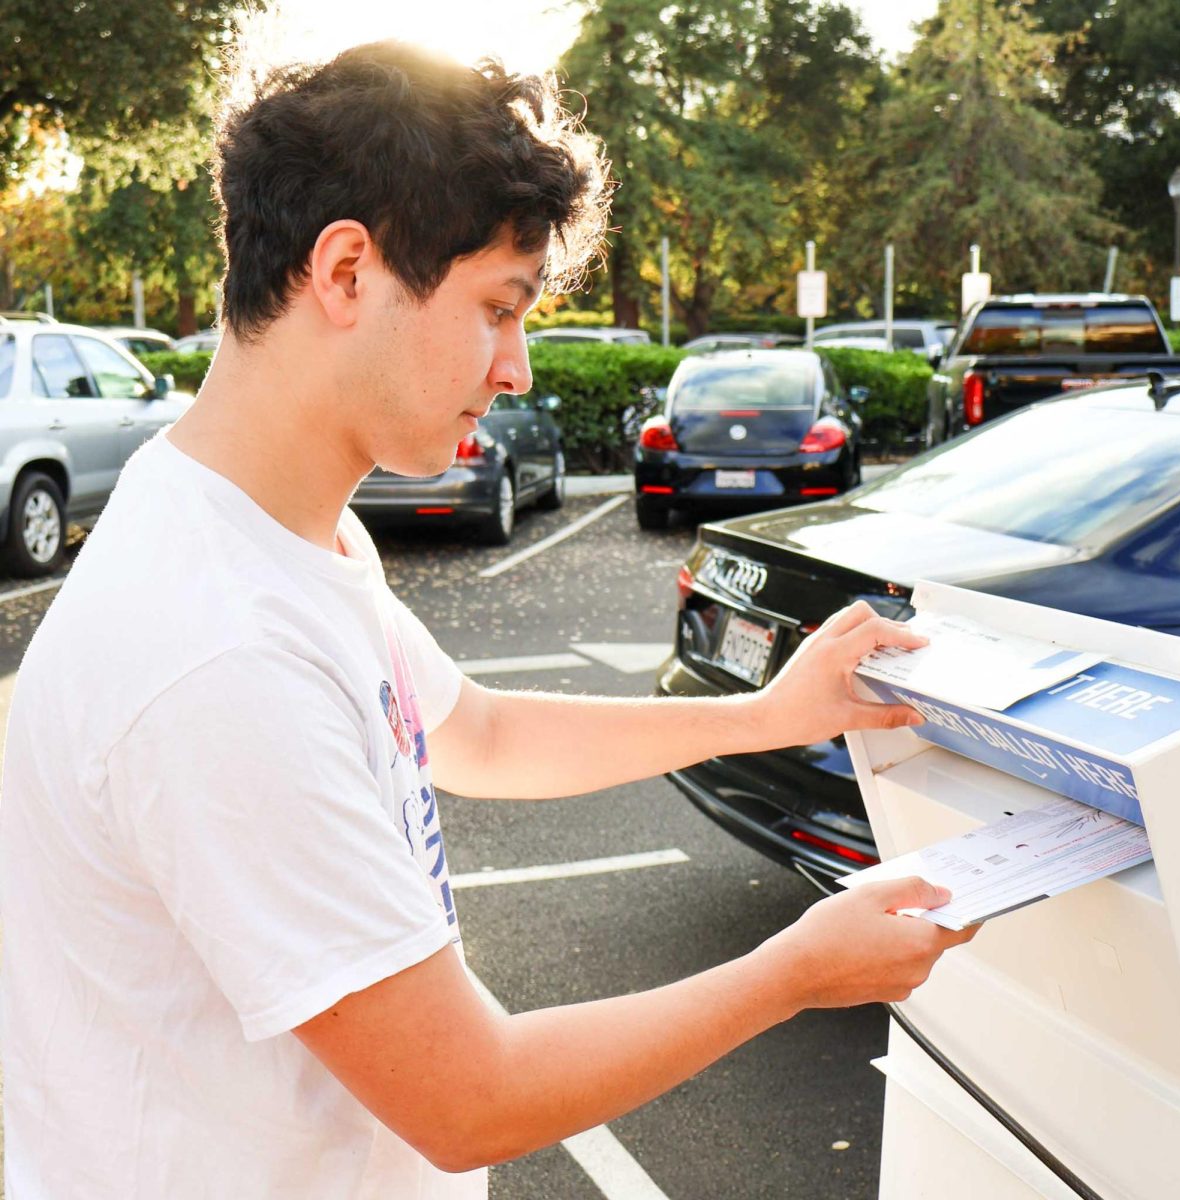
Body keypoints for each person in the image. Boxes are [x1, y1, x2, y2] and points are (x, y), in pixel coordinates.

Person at [0, 37, 974, 1200]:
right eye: (499, 309)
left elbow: (475, 737)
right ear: (347, 273)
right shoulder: (214, 650)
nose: (517, 368)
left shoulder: (283, 532)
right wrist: (795, 971)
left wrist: (767, 715)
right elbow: (471, 1098)